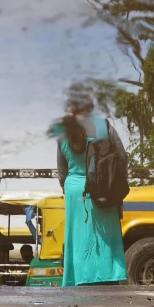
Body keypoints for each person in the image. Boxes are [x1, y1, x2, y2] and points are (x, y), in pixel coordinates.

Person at [49, 91, 128, 286]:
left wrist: (65, 186)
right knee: (105, 235)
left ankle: (79, 277)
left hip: (75, 189)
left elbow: (62, 170)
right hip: (103, 188)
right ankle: (108, 275)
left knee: (79, 236)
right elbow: (122, 157)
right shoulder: (103, 125)